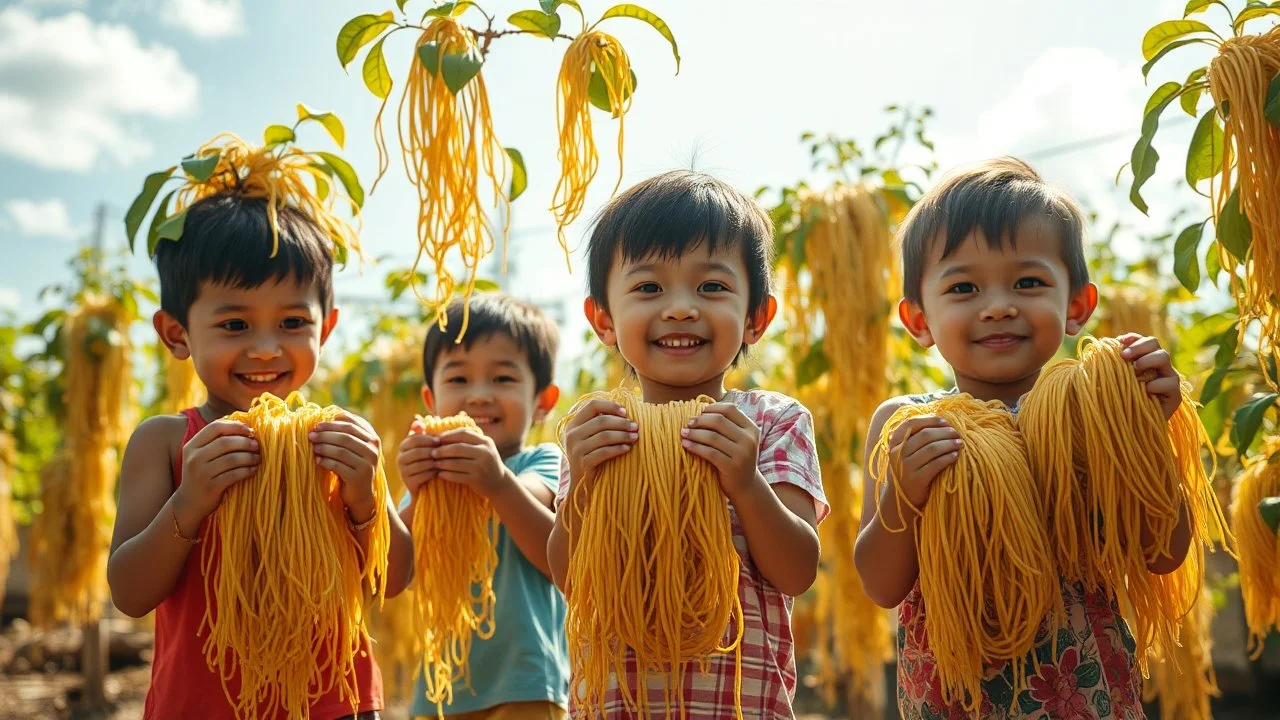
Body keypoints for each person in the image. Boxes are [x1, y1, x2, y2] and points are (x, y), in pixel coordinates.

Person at [855, 157, 1189, 719]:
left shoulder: (1094, 416)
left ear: (1077, 305)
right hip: (953, 697)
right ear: (920, 321)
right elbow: (881, 584)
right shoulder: (908, 424)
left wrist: (1147, 431)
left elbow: (1163, 553)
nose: (1000, 305)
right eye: (963, 287)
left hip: (1086, 694)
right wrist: (903, 497)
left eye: (1028, 282)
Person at [108, 156, 414, 719]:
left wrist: (366, 499)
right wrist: (189, 502)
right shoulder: (168, 443)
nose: (268, 348)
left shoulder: (338, 440)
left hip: (333, 705)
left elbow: (393, 581)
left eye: (293, 323)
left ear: (325, 327)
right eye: (234, 325)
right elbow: (128, 594)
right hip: (198, 706)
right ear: (176, 334)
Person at [548, 170, 828, 718]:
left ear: (756, 317)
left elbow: (796, 571)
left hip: (740, 704)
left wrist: (746, 484)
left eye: (712, 287)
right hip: (618, 705)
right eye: (648, 287)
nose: (680, 308)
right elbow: (569, 576)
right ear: (603, 319)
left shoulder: (771, 422)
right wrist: (581, 483)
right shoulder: (597, 429)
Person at [397, 293, 569, 720]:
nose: (478, 396)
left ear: (543, 402)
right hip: (440, 693)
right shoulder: (429, 481)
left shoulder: (542, 461)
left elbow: (553, 550)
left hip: (527, 685)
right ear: (430, 399)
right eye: (457, 380)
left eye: (503, 379)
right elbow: (402, 572)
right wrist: (417, 495)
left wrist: (495, 481)